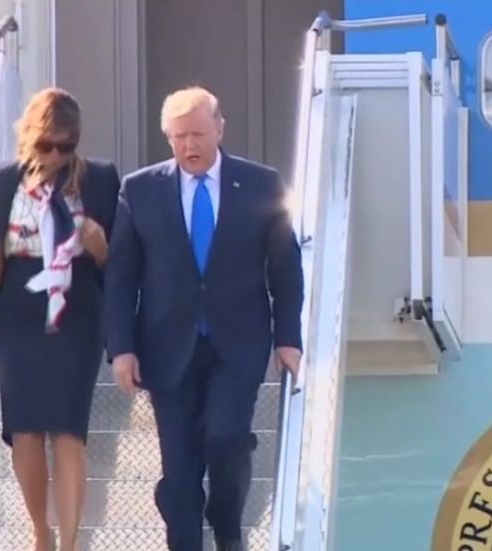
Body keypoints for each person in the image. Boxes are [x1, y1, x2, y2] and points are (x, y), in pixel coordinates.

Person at [104, 86, 304, 551]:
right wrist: (122, 348)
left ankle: (228, 523)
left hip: (238, 343)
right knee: (179, 468)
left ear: (219, 129)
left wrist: (288, 337)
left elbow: (285, 267)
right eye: (178, 137)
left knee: (227, 440)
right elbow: (120, 276)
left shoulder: (261, 184)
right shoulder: (139, 189)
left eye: (197, 133)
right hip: (167, 347)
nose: (189, 146)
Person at [0, 87, 121, 551]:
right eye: (49, 145)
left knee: (68, 430)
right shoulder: (3, 179)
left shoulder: (99, 179)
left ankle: (68, 542)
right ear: (29, 136)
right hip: (19, 310)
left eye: (68, 144)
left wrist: (100, 245)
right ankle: (39, 532)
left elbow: (119, 265)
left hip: (77, 309)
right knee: (25, 430)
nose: (59, 155)